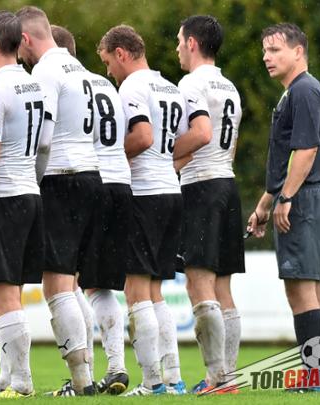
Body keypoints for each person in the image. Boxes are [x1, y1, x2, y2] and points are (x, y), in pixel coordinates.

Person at [16, 5, 102, 397]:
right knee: (70, 283)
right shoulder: (79, 69)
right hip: (91, 175)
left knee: (55, 285)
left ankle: (81, 381)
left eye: (19, 46)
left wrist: (33, 180)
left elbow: (45, 139)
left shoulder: (45, 72)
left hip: (62, 177)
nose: (20, 55)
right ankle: (87, 376)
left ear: (26, 38)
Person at [98, 24, 187, 396]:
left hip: (145, 194)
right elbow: (181, 141)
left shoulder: (133, 86)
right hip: (171, 191)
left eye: (108, 62)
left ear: (121, 53)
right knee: (155, 293)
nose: (109, 72)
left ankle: (152, 382)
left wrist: (110, 157)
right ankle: (174, 379)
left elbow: (144, 136)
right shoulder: (170, 87)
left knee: (135, 291)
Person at [247, 23, 320, 391]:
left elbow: (306, 150)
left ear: (298, 52)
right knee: (313, 289)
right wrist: (265, 204)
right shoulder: (299, 90)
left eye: (275, 50)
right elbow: (289, 159)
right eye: (265, 51)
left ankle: (316, 378)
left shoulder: (302, 90)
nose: (266, 57)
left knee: (301, 290)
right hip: (313, 196)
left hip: (305, 198)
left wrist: (285, 198)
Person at [0, 10, 48, 399]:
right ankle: (7, 377)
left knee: (3, 295)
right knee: (8, 292)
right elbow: (44, 143)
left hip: (5, 196)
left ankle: (21, 382)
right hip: (30, 193)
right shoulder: (32, 84)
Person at [51, 24, 130, 395]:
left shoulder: (64, 84)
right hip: (121, 183)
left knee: (70, 284)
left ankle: (84, 377)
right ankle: (116, 367)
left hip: (88, 183)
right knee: (99, 286)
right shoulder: (103, 84)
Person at [173, 15, 244, 394]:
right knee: (223, 288)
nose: (177, 49)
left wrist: (166, 157)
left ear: (193, 43)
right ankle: (227, 375)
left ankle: (218, 377)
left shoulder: (191, 83)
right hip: (227, 183)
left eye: (179, 41)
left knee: (199, 283)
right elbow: (227, 143)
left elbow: (201, 134)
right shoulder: (229, 86)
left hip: (202, 186)